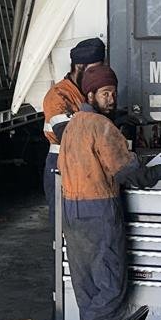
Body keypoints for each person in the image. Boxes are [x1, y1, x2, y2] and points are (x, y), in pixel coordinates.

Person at [51, 62, 153, 320]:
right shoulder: (102, 127)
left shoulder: (72, 126)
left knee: (89, 291)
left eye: (114, 93)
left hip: (72, 211)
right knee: (111, 290)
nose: (112, 99)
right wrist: (156, 171)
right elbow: (127, 172)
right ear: (90, 95)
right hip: (99, 212)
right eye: (106, 93)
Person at [41, 37, 106, 205]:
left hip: (86, 164)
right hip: (61, 164)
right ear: (79, 67)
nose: (98, 76)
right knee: (62, 218)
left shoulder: (87, 92)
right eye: (94, 71)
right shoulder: (58, 95)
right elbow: (69, 136)